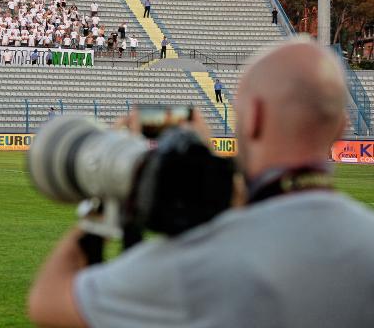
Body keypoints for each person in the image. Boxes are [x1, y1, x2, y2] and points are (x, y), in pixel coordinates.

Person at [28, 40, 374, 328]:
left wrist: (110, 190)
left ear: (253, 117)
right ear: (340, 129)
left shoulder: (200, 260)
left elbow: (48, 301)